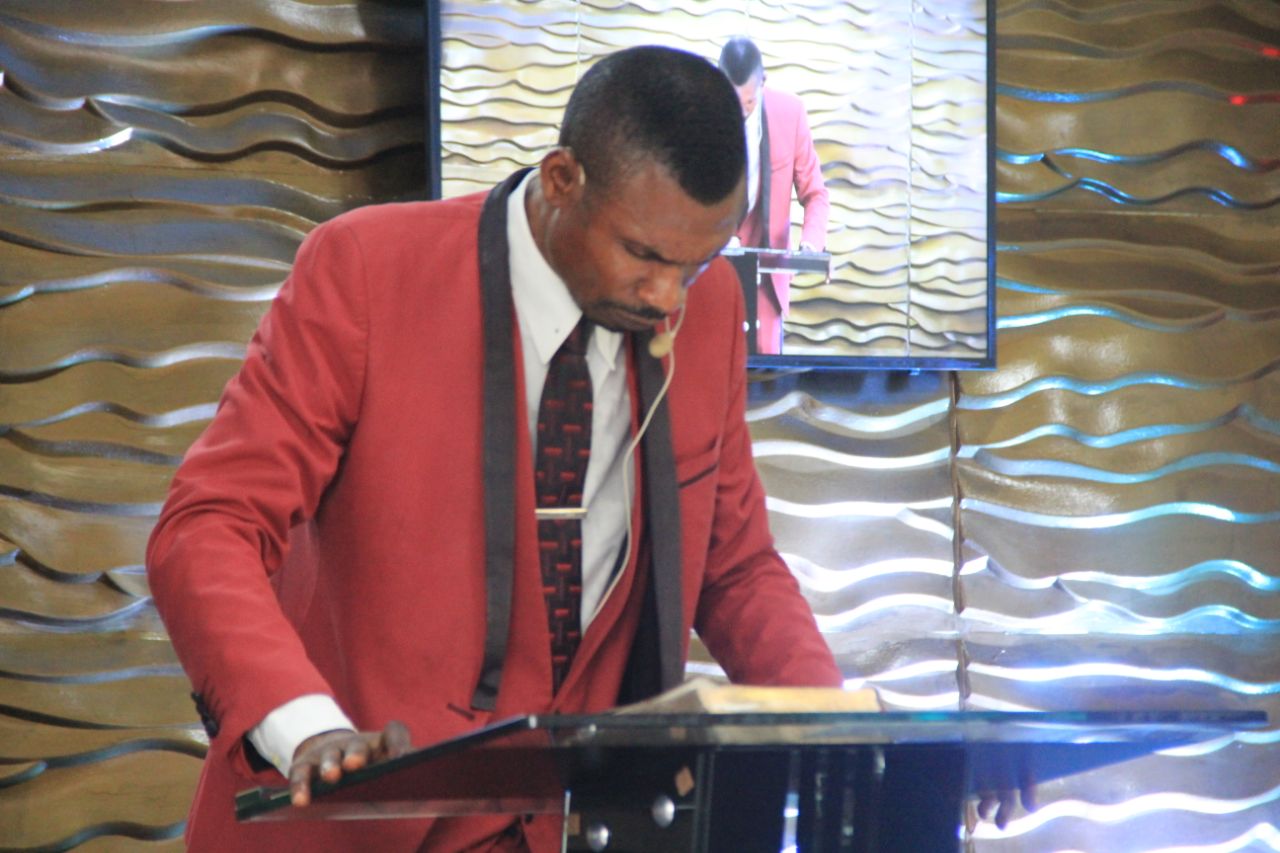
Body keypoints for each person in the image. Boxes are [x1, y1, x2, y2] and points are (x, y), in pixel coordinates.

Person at [146, 45, 843, 852]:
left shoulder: (709, 309)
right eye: (644, 255)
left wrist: (837, 730)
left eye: (697, 264)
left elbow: (736, 566)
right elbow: (207, 525)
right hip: (346, 825)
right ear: (561, 179)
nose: (667, 297)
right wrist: (304, 725)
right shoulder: (366, 270)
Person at [718, 35, 830, 355]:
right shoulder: (699, 116)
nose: (740, 112)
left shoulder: (790, 113)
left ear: (762, 83)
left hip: (767, 278)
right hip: (714, 275)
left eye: (748, 103)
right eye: (732, 102)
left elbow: (816, 193)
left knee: (766, 378)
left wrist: (811, 245)